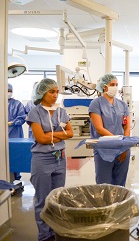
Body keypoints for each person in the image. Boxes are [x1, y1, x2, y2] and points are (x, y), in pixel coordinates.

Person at [27, 78, 73, 241]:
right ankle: (44, 235)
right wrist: (60, 135)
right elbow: (41, 139)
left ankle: (55, 231)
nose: (55, 95)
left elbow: (71, 133)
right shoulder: (35, 112)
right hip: (42, 159)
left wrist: (51, 135)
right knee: (43, 199)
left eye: (56, 92)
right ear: (42, 93)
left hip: (60, 158)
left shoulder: (61, 111)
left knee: (57, 197)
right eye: (51, 92)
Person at [89, 74, 131, 186]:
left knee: (120, 184)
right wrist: (117, 142)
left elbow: (126, 127)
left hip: (122, 149)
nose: (115, 87)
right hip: (104, 149)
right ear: (103, 86)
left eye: (116, 85)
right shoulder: (96, 104)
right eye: (112, 84)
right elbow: (99, 128)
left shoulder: (122, 105)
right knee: (104, 185)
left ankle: (119, 204)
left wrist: (124, 147)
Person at [8, 83, 27, 181]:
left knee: (15, 155)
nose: (8, 93)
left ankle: (16, 177)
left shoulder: (17, 104)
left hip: (15, 132)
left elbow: (22, 117)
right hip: (3, 134)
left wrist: (12, 123)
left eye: (9, 91)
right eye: (6, 90)